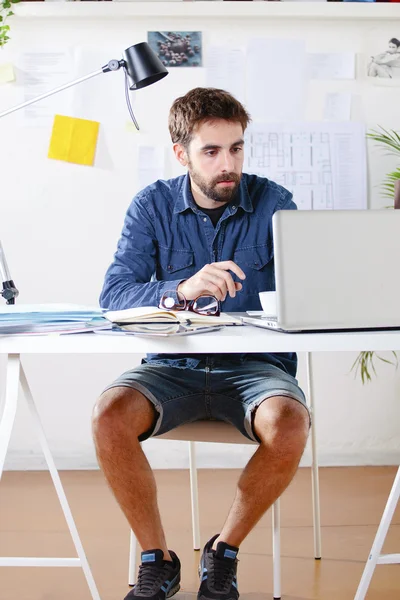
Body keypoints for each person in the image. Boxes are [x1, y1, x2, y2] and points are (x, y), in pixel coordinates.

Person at [93, 87, 310, 600]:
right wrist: (181, 290)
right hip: (174, 365)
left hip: (256, 368)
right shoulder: (151, 205)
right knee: (108, 415)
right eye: (211, 151)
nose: (227, 163)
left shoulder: (274, 202)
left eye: (235, 148)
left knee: (291, 423)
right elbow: (114, 293)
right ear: (182, 154)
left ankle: (224, 550)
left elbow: (307, 290)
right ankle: (157, 559)